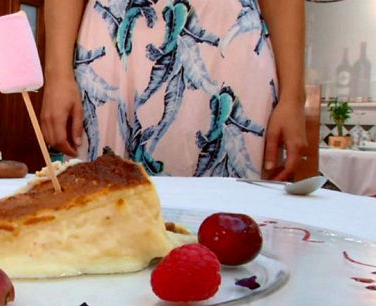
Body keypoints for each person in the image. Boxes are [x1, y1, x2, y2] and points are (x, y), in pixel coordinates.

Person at [41, 0, 307, 180]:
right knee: (99, 217)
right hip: (116, 50)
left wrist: (293, 98)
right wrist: (57, 76)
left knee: (229, 227)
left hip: (228, 50)